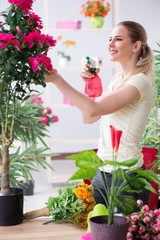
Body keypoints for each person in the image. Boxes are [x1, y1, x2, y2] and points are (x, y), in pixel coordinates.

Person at [45, 21, 155, 207]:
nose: (110, 45)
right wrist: (89, 85)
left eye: (118, 39)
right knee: (98, 231)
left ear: (136, 46)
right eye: (110, 39)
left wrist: (57, 79)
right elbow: (89, 118)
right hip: (103, 171)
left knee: (120, 235)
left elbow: (93, 109)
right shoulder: (117, 79)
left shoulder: (141, 82)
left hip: (126, 176)